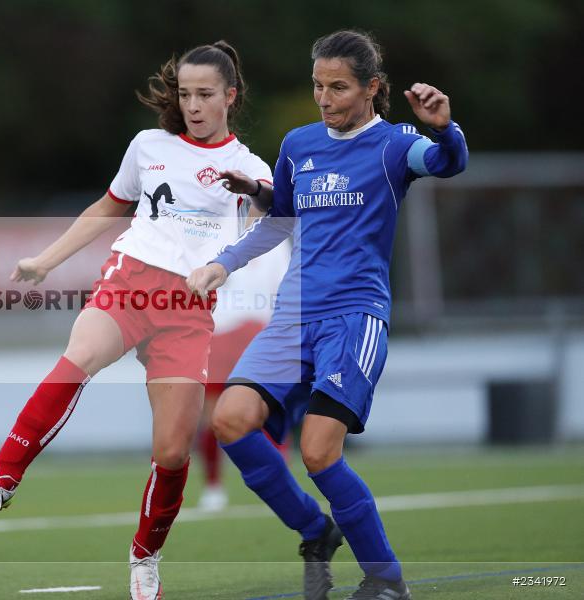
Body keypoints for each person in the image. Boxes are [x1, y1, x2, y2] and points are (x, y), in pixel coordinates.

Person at [0, 41, 272, 600]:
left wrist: (253, 201)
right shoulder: (148, 145)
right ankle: (3, 479)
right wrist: (45, 261)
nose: (193, 105)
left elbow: (277, 213)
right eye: (185, 94)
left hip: (189, 310)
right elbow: (107, 207)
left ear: (230, 96)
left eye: (205, 94)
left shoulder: (248, 165)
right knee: (79, 357)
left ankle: (145, 557)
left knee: (173, 452)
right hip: (129, 280)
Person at [187, 30, 468, 600]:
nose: (325, 98)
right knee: (230, 419)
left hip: (353, 318)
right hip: (292, 317)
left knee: (318, 451)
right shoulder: (299, 143)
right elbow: (282, 217)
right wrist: (224, 260)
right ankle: (316, 530)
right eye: (318, 85)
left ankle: (386, 579)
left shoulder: (394, 144)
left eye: (338, 87)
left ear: (372, 89)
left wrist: (444, 127)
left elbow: (445, 162)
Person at [197, 239, 291, 511]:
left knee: (268, 410)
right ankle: (213, 486)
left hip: (260, 333)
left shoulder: (277, 241)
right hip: (219, 333)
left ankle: (281, 485)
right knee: (213, 416)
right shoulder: (214, 235)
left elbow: (284, 289)